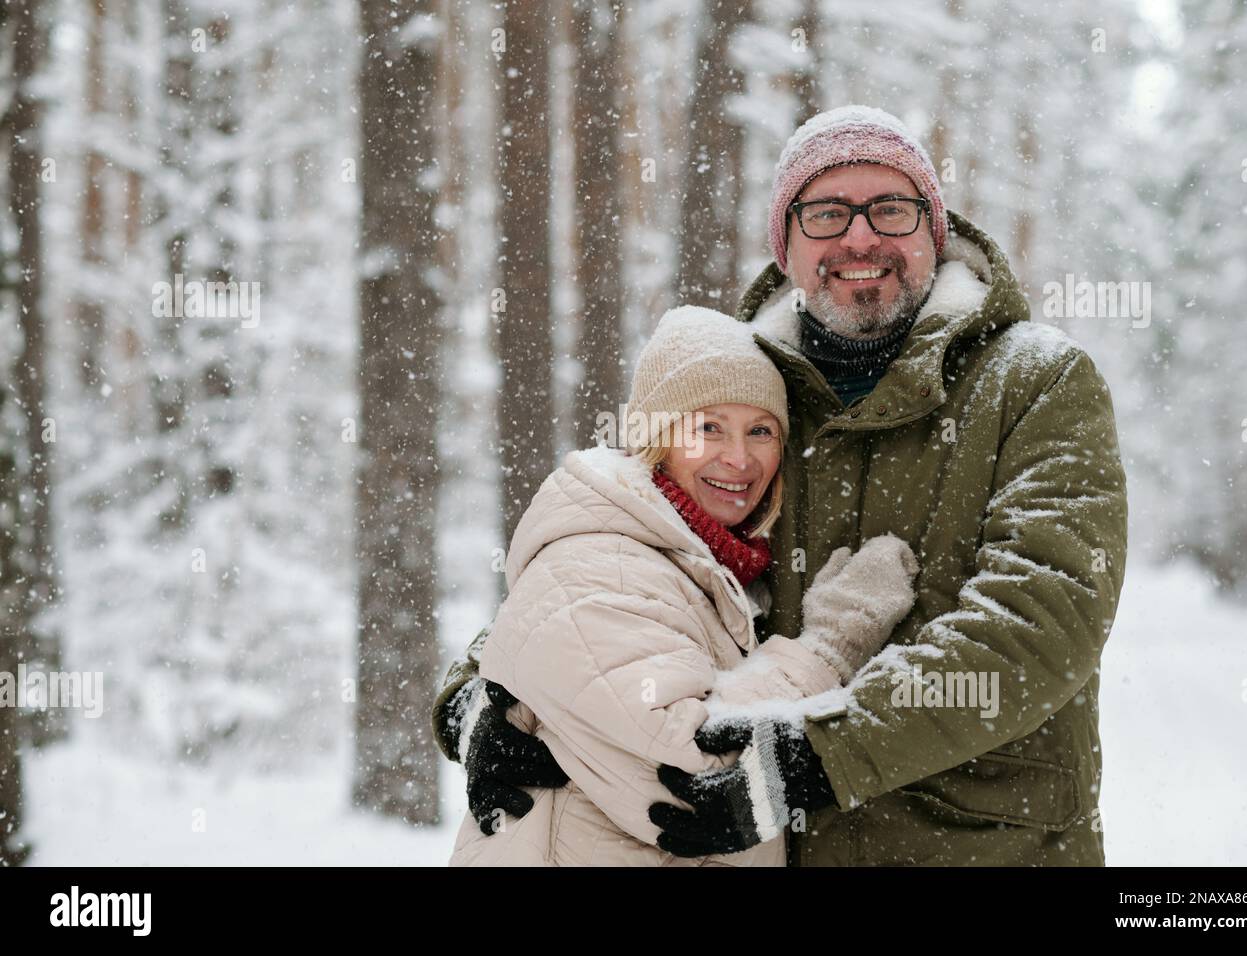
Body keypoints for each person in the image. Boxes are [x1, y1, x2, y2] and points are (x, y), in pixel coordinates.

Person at [436, 106, 1128, 867]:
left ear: (934, 230)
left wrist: (817, 756)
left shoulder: (1035, 381)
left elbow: (1043, 617)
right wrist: (484, 693)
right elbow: (620, 543)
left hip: (985, 847)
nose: (859, 238)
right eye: (827, 214)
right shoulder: (748, 393)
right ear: (787, 245)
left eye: (890, 210)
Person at [447, 306, 918, 866]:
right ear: (656, 439)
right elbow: (700, 771)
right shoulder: (604, 559)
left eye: (761, 431)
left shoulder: (711, 568)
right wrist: (830, 647)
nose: (739, 458)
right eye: (708, 427)